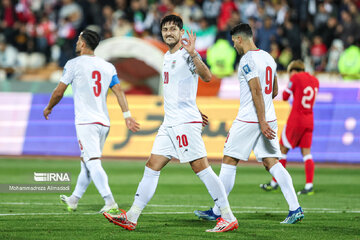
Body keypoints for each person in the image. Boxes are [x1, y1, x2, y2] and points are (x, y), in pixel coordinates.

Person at [102, 14, 238, 233]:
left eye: (173, 28)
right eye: (165, 29)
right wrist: (195, 108)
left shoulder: (187, 54)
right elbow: (179, 90)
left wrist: (194, 53)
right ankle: (133, 216)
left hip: (184, 123)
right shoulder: (166, 56)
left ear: (181, 32)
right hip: (169, 123)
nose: (168, 32)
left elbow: (207, 77)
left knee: (201, 167)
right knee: (152, 166)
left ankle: (228, 216)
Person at [194, 23, 304, 224]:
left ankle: (219, 210)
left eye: (234, 41)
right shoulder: (268, 58)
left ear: (238, 39)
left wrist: (260, 120)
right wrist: (265, 117)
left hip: (250, 118)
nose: (233, 46)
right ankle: (295, 208)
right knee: (272, 162)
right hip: (268, 116)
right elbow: (274, 90)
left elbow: (256, 90)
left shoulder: (247, 60)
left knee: (229, 160)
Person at [43, 29, 140, 213]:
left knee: (92, 161)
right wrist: (127, 116)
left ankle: (110, 201)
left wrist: (49, 107)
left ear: (83, 44)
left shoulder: (73, 64)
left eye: (79, 40)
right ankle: (74, 199)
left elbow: (59, 92)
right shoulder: (107, 66)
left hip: (86, 122)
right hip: (104, 122)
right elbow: (119, 91)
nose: (77, 42)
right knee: (86, 161)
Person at [260, 60, 319, 195]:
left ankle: (275, 182)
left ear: (293, 71)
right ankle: (309, 186)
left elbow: (285, 96)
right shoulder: (315, 80)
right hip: (309, 119)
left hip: (296, 119)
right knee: (307, 154)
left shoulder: (295, 77)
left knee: (282, 149)